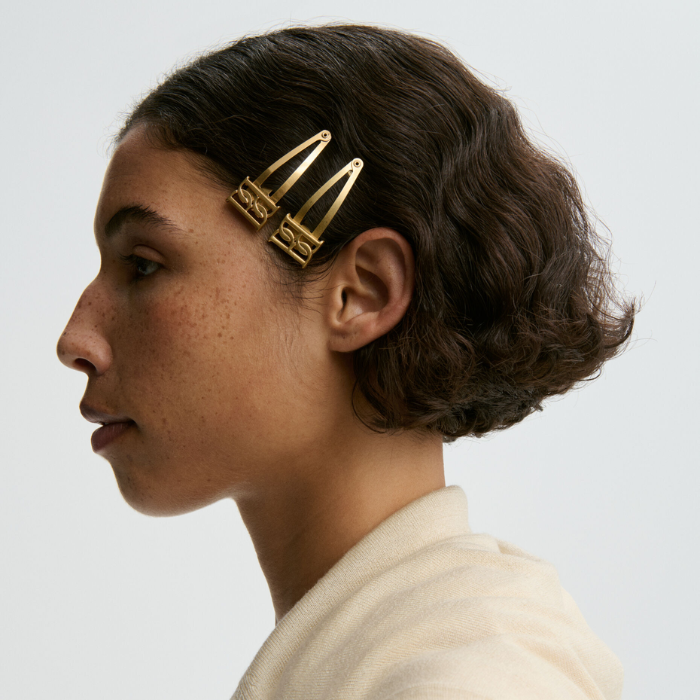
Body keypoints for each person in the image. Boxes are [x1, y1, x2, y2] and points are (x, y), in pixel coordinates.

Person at [56, 24, 634, 700]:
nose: (75, 339)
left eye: (144, 265)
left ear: (362, 293)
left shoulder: (470, 679)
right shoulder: (389, 657)